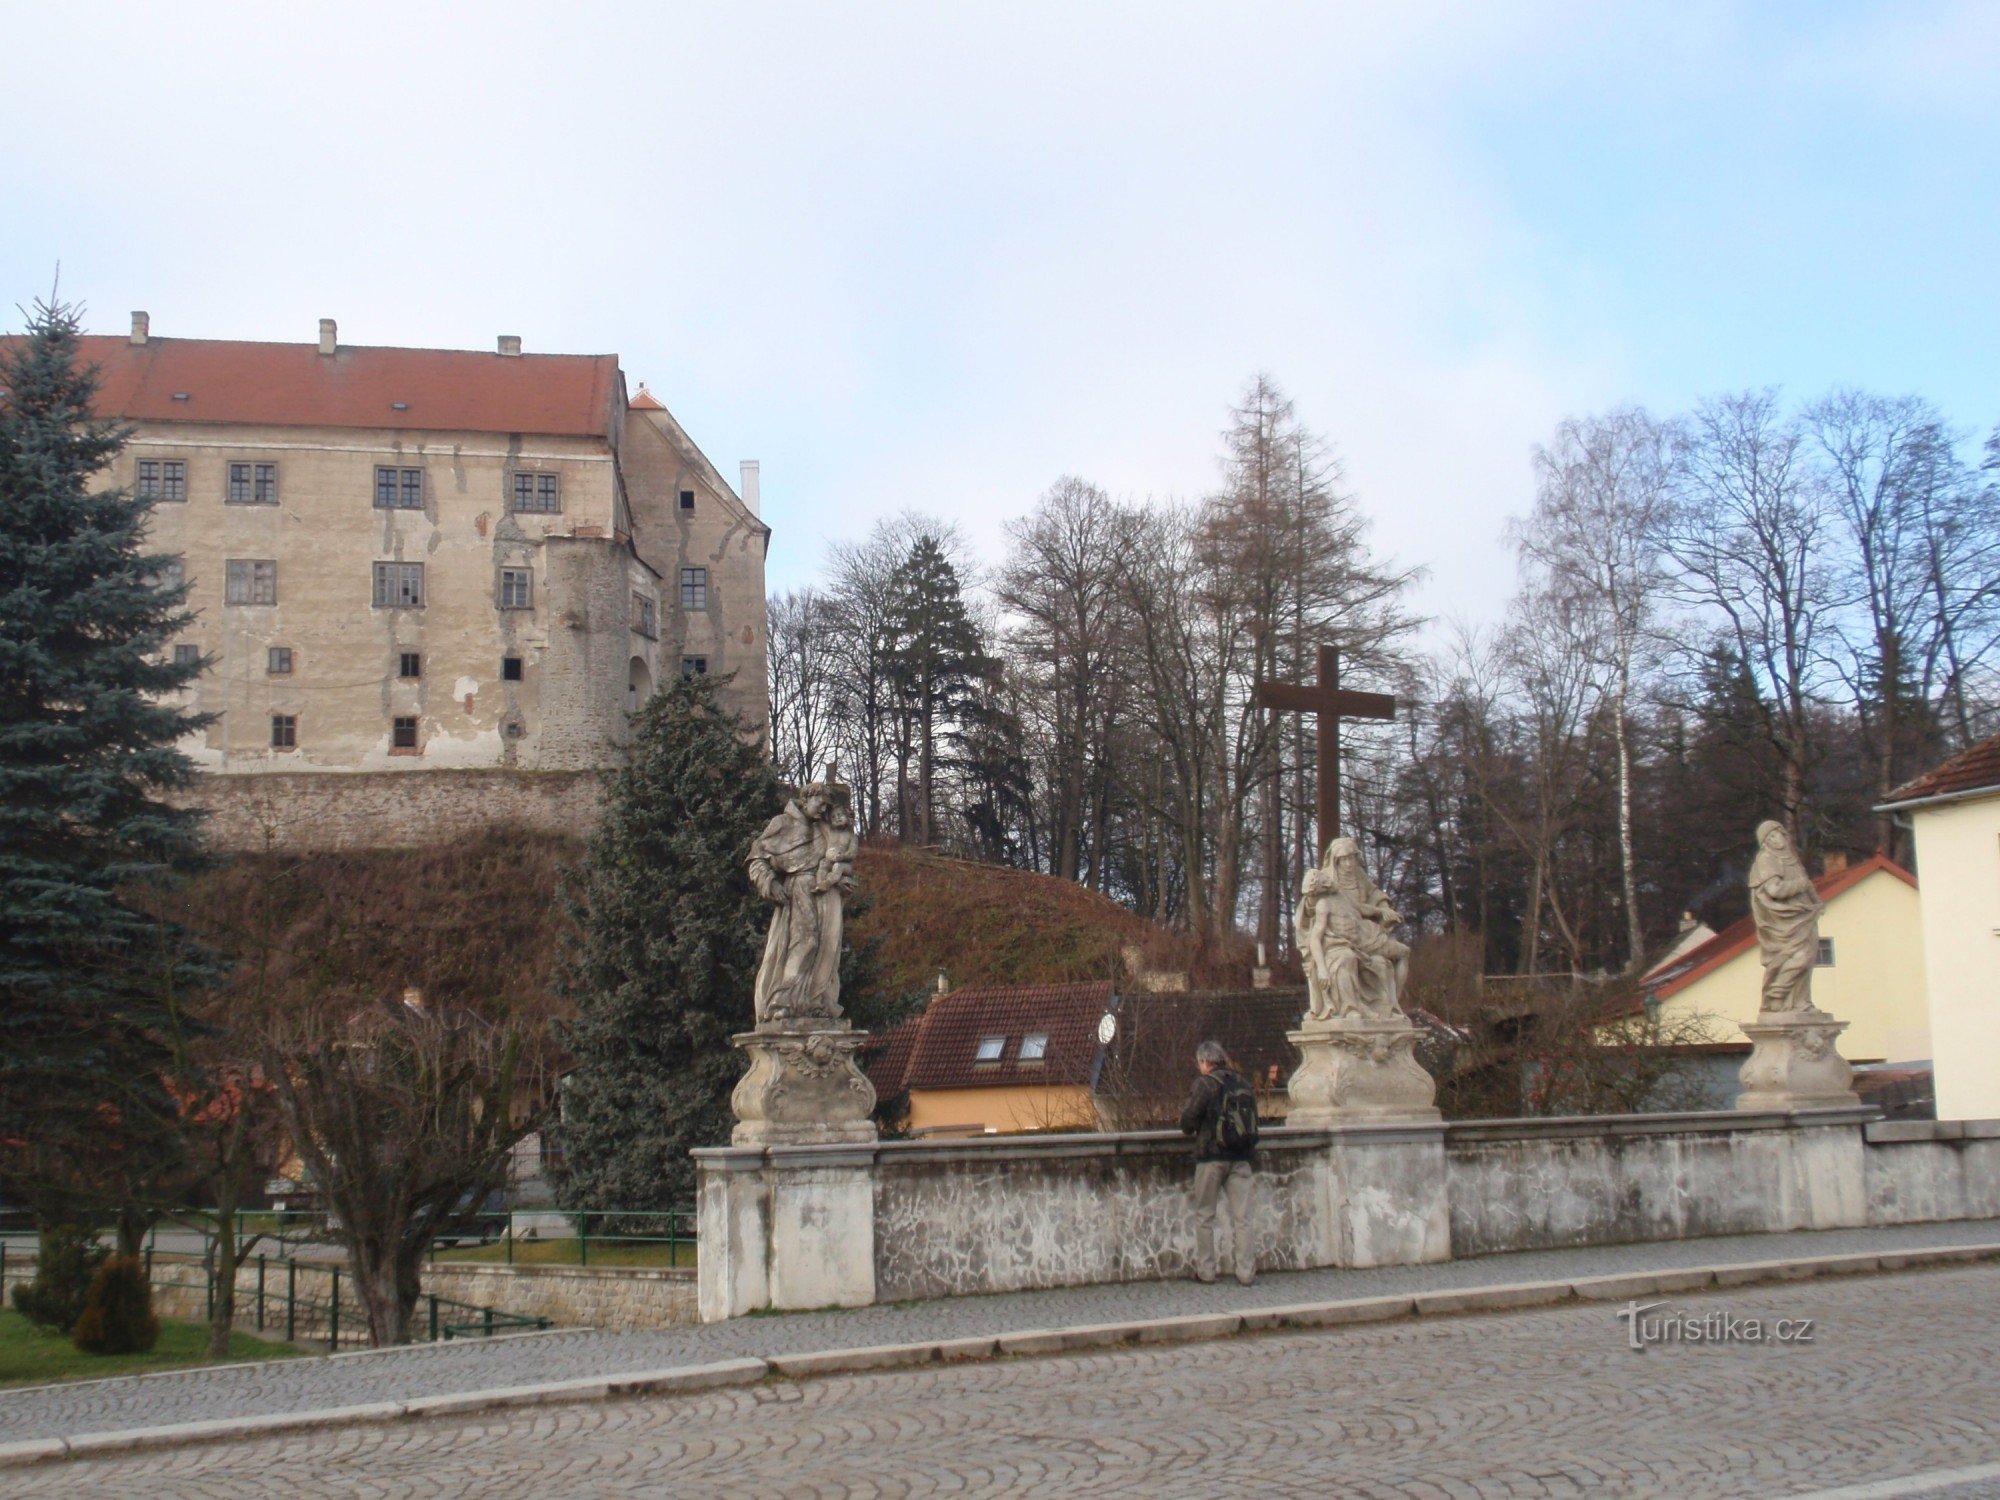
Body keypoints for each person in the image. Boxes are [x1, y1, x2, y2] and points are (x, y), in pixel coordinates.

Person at [1178, 1039, 1257, 1286]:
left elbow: (1187, 1122)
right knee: (1242, 1219)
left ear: (1204, 1061)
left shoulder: (1206, 1084)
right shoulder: (1242, 1083)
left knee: (1205, 1216)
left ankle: (1207, 1271)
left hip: (1211, 1158)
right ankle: (1245, 1273)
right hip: (1241, 1159)